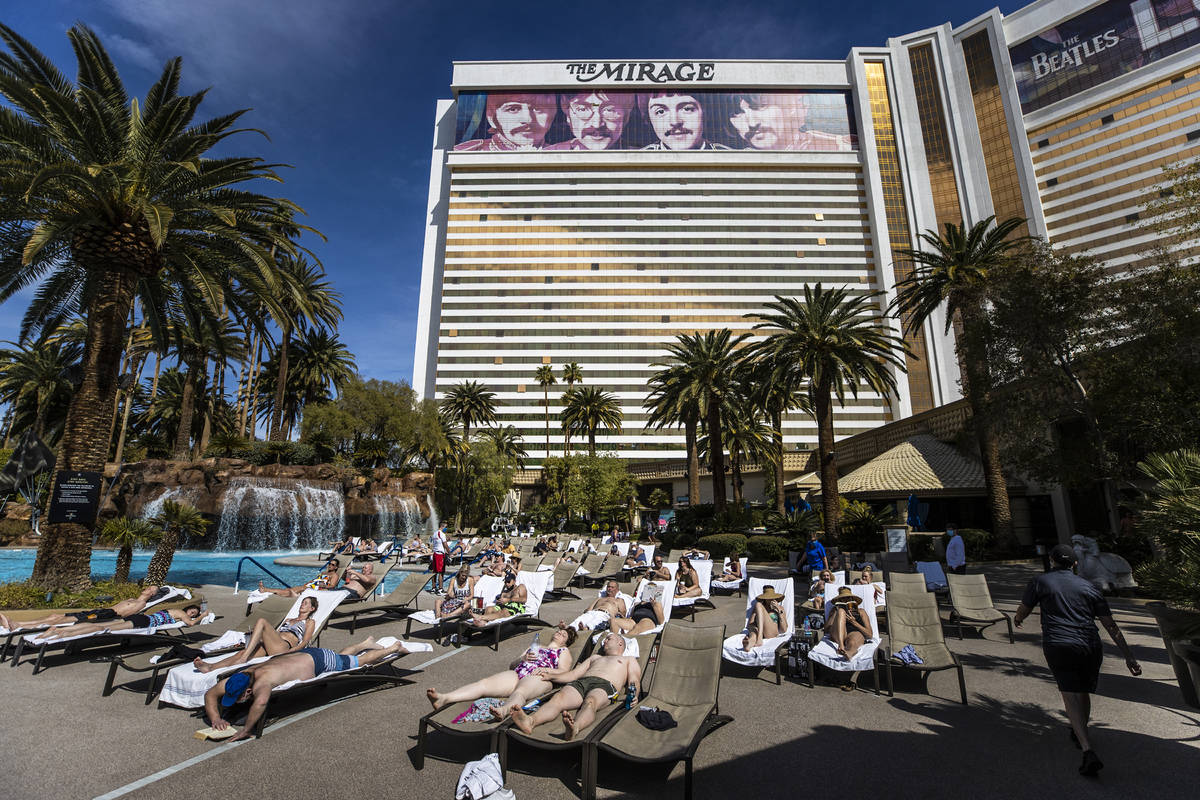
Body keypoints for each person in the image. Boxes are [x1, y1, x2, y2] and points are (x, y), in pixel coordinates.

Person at [1014, 544, 1142, 777]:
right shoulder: (1089, 586)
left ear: (1052, 560)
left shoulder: (1040, 582)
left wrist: (1017, 618)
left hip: (1059, 644)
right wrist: (1129, 656)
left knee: (1070, 694)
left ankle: (1087, 749)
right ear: (1074, 564)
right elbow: (1109, 624)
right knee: (1082, 690)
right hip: (1090, 646)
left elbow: (1024, 608)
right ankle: (1079, 729)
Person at [204, 636, 410, 741]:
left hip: (319, 661)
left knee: (359, 662)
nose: (235, 700)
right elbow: (210, 694)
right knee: (343, 658)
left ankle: (394, 647)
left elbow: (261, 703)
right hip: (307, 654)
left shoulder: (262, 683)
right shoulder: (239, 678)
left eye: (237, 698)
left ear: (247, 692)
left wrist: (246, 731)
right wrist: (215, 718)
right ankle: (366, 642)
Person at [509, 631, 642, 741]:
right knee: (558, 698)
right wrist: (551, 676)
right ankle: (530, 721)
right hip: (582, 682)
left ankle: (575, 728)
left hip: (605, 685)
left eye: (609, 638)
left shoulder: (628, 660)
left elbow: (634, 679)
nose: (605, 641)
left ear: (620, 643)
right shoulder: (595, 657)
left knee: (591, 702)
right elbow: (573, 675)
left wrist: (634, 695)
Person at [426, 624, 578, 718]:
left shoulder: (563, 651)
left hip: (540, 677)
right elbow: (512, 665)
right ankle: (444, 698)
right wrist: (523, 659)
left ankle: (504, 710)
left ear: (566, 641)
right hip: (518, 672)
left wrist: (545, 669)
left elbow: (565, 672)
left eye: (564, 635)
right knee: (484, 684)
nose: (560, 633)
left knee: (520, 693)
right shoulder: (536, 646)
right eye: (560, 631)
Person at [194, 597, 319, 674]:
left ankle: (244, 657)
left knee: (262, 621)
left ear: (312, 608)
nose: (302, 604)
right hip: (272, 644)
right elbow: (275, 634)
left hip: (284, 647)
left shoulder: (309, 622)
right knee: (240, 654)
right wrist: (258, 635)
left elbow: (305, 642)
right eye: (302, 602)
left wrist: (291, 652)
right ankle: (210, 667)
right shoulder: (288, 619)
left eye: (306, 603)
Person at [1, 584, 169, 632]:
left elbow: (121, 616)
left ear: (152, 595)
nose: (147, 588)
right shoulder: (133, 599)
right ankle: (19, 623)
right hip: (99, 612)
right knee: (55, 615)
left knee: (60, 619)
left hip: (104, 615)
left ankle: (18, 625)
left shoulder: (141, 604)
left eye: (151, 589)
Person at [728, 93, 853, 151]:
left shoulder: (842, 148)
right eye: (737, 113)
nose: (751, 123)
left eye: (760, 106)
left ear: (791, 108)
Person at [34, 604, 204, 641]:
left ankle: (56, 630)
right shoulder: (181, 613)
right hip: (143, 622)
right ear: (187, 609)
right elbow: (190, 624)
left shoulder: (174, 612)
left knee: (99, 626)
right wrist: (203, 615)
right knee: (103, 628)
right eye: (192, 611)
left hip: (140, 618)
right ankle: (62, 633)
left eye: (194, 613)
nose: (191, 614)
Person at [455, 92, 557, 151]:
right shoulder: (469, 151)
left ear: (553, 113)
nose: (528, 119)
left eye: (538, 108)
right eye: (513, 109)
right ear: (491, 117)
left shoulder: (561, 152)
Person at [548, 91, 635, 151]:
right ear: (568, 116)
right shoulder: (548, 155)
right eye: (583, 109)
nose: (596, 124)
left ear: (626, 116)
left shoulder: (640, 156)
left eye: (609, 110)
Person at [640, 92, 729, 151]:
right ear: (649, 119)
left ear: (705, 113)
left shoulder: (729, 157)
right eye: (661, 111)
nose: (675, 122)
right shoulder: (638, 161)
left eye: (687, 109)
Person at [823, 586, 871, 662]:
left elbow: (869, 635)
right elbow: (826, 630)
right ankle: (841, 646)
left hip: (853, 633)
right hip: (839, 636)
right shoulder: (835, 610)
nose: (846, 600)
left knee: (852, 642)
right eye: (843, 599)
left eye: (848, 598)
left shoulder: (861, 612)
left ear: (852, 599)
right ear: (839, 600)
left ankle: (849, 653)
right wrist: (835, 613)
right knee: (841, 611)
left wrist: (854, 622)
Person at [258, 558, 341, 598]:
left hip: (318, 589)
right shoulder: (324, 572)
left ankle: (265, 590)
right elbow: (315, 580)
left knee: (292, 591)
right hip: (311, 585)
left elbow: (332, 586)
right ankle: (267, 590)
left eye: (333, 565)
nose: (330, 565)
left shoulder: (334, 575)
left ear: (336, 567)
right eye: (329, 563)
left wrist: (323, 586)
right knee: (289, 590)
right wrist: (309, 583)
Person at [743, 586, 788, 652]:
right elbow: (750, 624)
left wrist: (778, 610)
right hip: (759, 630)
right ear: (764, 599)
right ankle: (748, 645)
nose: (771, 600)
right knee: (753, 634)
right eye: (768, 598)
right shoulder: (759, 608)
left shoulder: (780, 608)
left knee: (758, 604)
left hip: (771, 633)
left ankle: (759, 637)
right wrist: (754, 629)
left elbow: (784, 630)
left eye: (772, 597)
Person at [431, 524, 448, 594]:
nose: (446, 529)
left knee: (434, 571)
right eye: (446, 527)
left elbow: (436, 543)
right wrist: (449, 552)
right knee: (441, 572)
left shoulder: (435, 533)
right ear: (442, 526)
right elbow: (445, 544)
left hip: (435, 553)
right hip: (440, 554)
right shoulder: (441, 534)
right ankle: (440, 589)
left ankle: (433, 588)